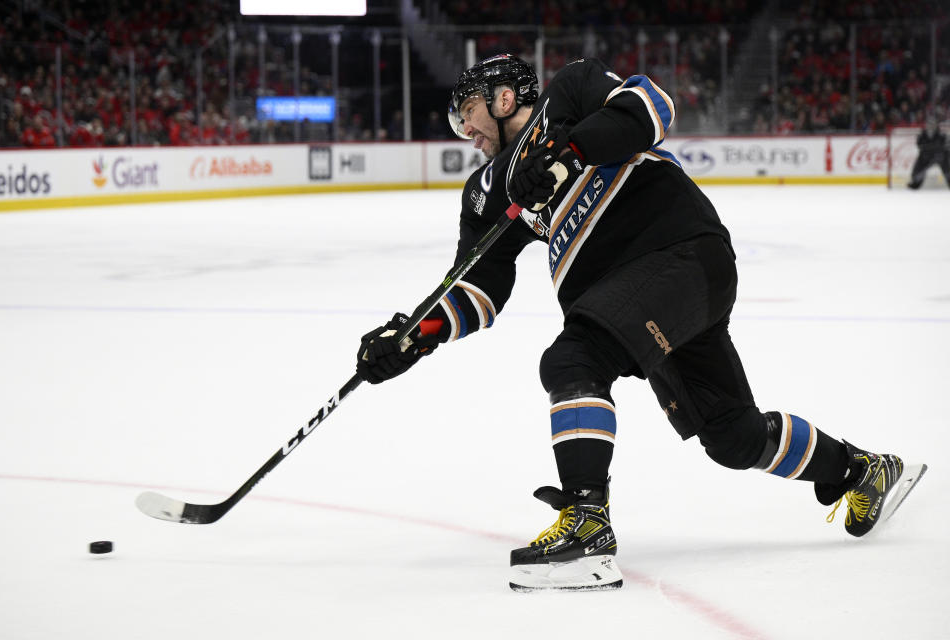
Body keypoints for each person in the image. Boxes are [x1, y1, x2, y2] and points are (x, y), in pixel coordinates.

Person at [355, 54, 928, 592]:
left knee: (573, 359)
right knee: (732, 437)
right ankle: (863, 471)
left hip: (678, 252)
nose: (464, 129)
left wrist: (570, 150)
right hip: (633, 294)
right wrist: (414, 337)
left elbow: (652, 107)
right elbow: (478, 286)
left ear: (504, 97)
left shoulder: (571, 92)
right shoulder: (485, 192)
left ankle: (586, 524)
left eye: (469, 112)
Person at [908, 119, 950, 189]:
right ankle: (916, 183)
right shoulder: (922, 135)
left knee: (947, 169)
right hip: (926, 156)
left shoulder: (942, 135)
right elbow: (919, 145)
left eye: (932, 125)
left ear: (936, 126)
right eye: (929, 125)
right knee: (918, 169)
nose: (931, 127)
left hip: (940, 156)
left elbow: (947, 147)